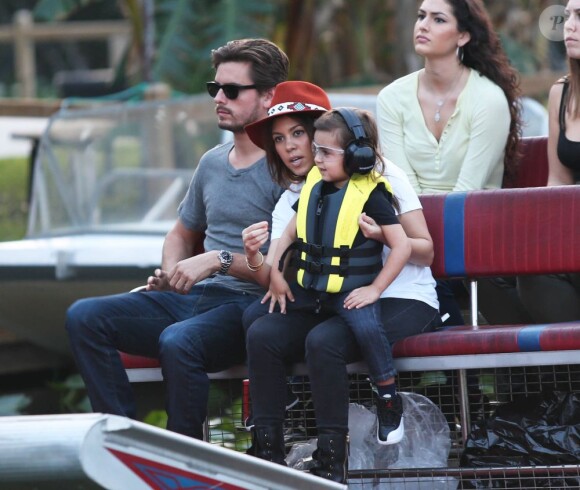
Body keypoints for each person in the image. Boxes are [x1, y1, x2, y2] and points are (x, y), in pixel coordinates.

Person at [64, 38, 289, 440]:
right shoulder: (212, 162)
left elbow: (281, 276)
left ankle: (183, 456)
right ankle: (125, 441)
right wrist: (173, 273)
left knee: (178, 340)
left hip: (248, 308)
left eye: (232, 90)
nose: (219, 97)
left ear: (269, 96)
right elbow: (181, 233)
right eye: (214, 88)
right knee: (85, 316)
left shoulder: (287, 170)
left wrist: (217, 259)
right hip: (196, 298)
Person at [243, 107, 441, 484]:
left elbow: (424, 250)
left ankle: (332, 463)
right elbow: (285, 253)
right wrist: (264, 266)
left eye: (299, 136)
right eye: (281, 140)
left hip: (401, 296)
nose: (298, 150)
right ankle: (267, 455)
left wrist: (380, 235)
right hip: (334, 297)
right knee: (262, 331)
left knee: (324, 342)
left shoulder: (381, 180)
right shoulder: (307, 189)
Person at [376, 0, 521, 326]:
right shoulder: (391, 97)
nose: (423, 25)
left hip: (474, 231)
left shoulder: (488, 99)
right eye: (421, 16)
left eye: (438, 19)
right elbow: (401, 188)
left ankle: (447, 362)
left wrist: (414, 243)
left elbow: (466, 193)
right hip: (410, 235)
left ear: (463, 36)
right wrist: (414, 241)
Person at [478, 0, 580, 325]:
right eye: (568, 16)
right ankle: (537, 374)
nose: (569, 26)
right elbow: (558, 183)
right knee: (490, 270)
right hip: (571, 236)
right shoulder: (562, 93)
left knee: (536, 273)